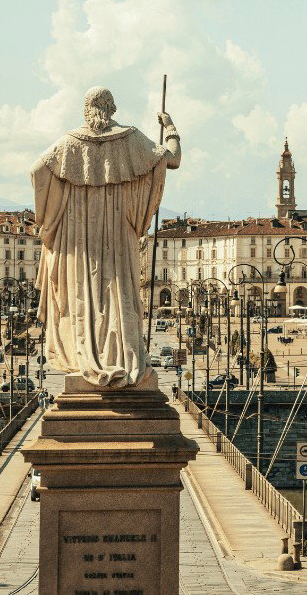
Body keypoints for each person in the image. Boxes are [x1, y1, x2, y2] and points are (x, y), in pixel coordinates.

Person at [32, 88, 181, 388]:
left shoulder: (69, 143)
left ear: (87, 109)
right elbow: (173, 159)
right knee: (120, 295)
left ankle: (86, 355)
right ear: (111, 109)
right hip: (119, 235)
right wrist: (170, 127)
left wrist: (47, 218)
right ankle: (124, 357)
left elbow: (37, 170)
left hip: (79, 236)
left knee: (83, 299)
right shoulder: (131, 138)